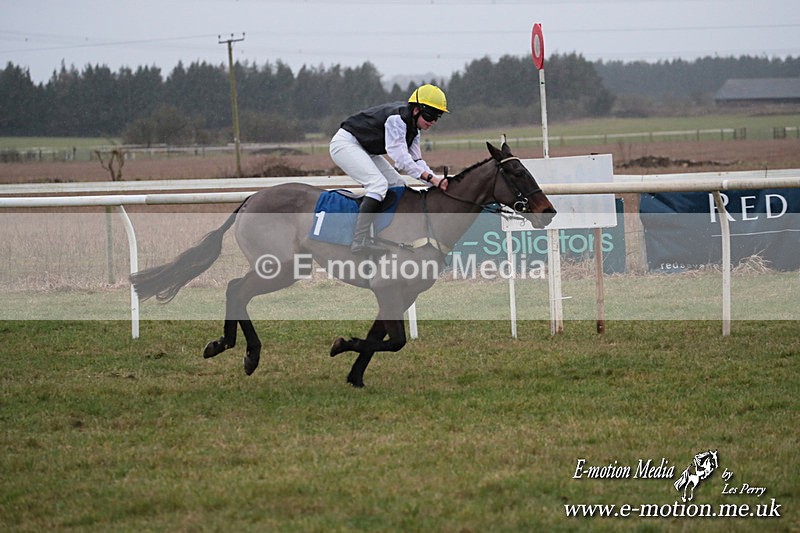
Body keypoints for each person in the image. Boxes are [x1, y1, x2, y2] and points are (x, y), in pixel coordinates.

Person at [329, 84, 449, 256]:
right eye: (430, 115)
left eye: (438, 116)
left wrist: (435, 180)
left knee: (397, 184)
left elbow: (416, 161)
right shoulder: (397, 120)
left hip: (365, 149)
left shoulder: (414, 129)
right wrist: (430, 179)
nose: (433, 121)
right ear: (416, 110)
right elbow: (401, 159)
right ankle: (358, 241)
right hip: (345, 144)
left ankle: (381, 234)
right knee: (378, 185)